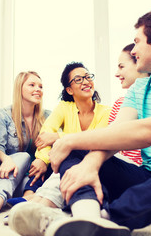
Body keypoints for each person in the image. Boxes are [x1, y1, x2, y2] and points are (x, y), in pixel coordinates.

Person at [7, 8, 151, 236]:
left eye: (137, 41)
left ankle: (112, 218)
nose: (134, 49)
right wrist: (88, 161)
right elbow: (117, 133)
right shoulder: (139, 89)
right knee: (76, 149)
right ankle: (88, 219)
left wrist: (69, 138)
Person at [8, 62, 110, 212]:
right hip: (64, 162)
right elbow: (45, 135)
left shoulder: (106, 112)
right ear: (69, 90)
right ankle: (30, 196)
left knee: (65, 155)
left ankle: (34, 202)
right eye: (78, 79)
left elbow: (97, 140)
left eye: (88, 77)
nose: (86, 81)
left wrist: (59, 136)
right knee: (50, 160)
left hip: (91, 162)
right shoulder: (64, 108)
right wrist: (43, 160)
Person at [0, 71, 51, 218]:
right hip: (4, 172)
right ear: (19, 88)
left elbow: (57, 145)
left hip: (28, 176)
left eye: (41, 86)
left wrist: (43, 160)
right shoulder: (3, 115)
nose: (38, 89)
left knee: (33, 189)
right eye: (32, 85)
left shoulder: (48, 116)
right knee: (23, 156)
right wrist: (7, 159)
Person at [109, 43, 149, 165]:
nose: (116, 73)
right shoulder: (118, 103)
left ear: (139, 62)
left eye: (122, 67)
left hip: (141, 168)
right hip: (120, 166)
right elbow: (109, 138)